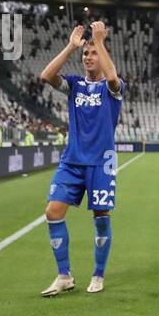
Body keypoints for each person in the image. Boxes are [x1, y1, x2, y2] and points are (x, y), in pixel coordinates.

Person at [40, 22, 125, 296]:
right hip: (73, 161)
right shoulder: (74, 86)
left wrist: (99, 41)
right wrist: (70, 47)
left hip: (103, 162)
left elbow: (112, 76)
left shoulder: (113, 88)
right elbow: (46, 75)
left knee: (100, 217)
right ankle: (64, 275)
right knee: (52, 212)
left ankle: (98, 275)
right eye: (85, 54)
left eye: (93, 53)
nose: (88, 57)